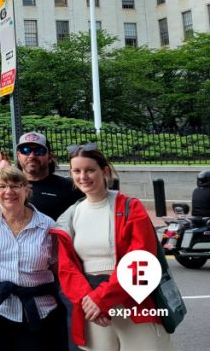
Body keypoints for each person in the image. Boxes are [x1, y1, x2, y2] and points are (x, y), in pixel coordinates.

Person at [52, 145, 172, 350]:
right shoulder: (69, 216)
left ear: (105, 171)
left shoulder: (130, 207)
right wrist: (89, 302)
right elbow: (67, 269)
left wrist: (101, 299)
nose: (83, 176)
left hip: (133, 303)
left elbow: (141, 259)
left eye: (90, 170)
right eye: (76, 171)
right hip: (93, 310)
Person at [0, 166, 66, 351]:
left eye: (16, 186)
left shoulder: (47, 225)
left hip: (37, 310)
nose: (9, 191)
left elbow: (56, 267)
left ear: (27, 190)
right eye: (2, 186)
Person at [15, 132, 82, 220]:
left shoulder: (70, 187)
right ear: (18, 156)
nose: (32, 156)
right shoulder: (7, 188)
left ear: (50, 157)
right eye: (26, 150)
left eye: (39, 151)